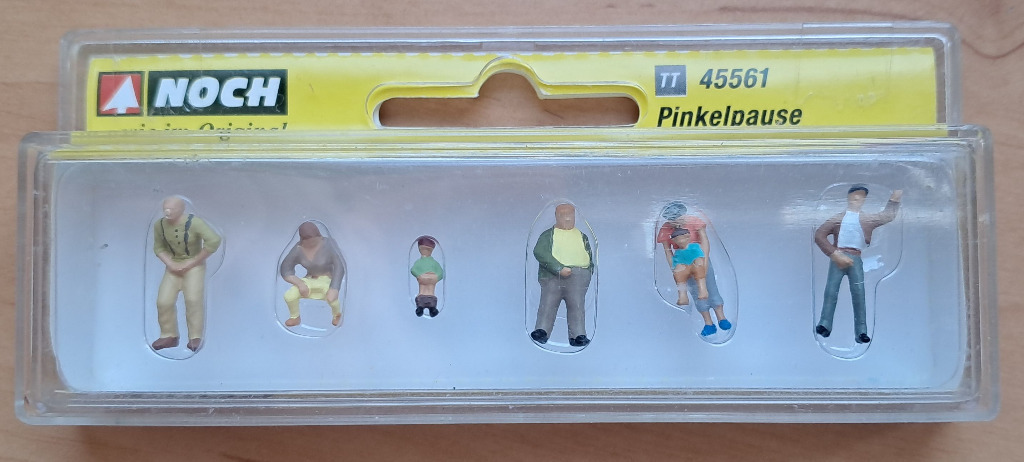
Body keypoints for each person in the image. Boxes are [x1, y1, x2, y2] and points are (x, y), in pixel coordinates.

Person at [814, 185, 902, 344]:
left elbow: (887, 216)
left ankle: (861, 331)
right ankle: (824, 323)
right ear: (849, 197)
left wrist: (895, 197)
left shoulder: (867, 219)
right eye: (855, 196)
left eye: (861, 197)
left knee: (859, 293)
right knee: (831, 291)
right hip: (838, 257)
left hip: (855, 258)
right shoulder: (837, 219)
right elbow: (819, 235)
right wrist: (834, 254)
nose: (858, 200)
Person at [151, 196, 222, 352]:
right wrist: (171, 264)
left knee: (193, 300)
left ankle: (195, 336)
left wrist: (192, 262)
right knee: (163, 301)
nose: (168, 212)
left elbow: (214, 240)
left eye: (172, 209)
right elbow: (158, 248)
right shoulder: (160, 225)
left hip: (194, 267)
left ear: (181, 209)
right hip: (172, 267)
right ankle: (169, 335)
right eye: (165, 209)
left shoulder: (194, 222)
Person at [656, 201, 731, 337]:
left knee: (710, 286)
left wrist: (705, 260)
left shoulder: (694, 221)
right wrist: (674, 267)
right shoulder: (666, 229)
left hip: (699, 258)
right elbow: (667, 250)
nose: (676, 222)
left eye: (678, 218)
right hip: (682, 262)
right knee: (696, 292)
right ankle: (708, 323)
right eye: (672, 220)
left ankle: (722, 317)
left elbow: (705, 241)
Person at [531, 203, 594, 347]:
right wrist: (558, 268)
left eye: (570, 215)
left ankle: (578, 335)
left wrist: (588, 271)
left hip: (578, 276)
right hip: (553, 276)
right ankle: (542, 330)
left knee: (577, 305)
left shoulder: (581, 235)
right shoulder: (548, 235)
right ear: (556, 216)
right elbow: (540, 252)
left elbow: (589, 254)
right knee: (548, 302)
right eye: (563, 215)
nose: (567, 218)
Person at [280, 221, 345, 327]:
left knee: (331, 298)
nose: (311, 244)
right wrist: (299, 283)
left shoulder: (328, 244)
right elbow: (285, 269)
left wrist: (334, 288)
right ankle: (295, 317)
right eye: (307, 242)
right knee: (289, 296)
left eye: (314, 241)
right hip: (309, 279)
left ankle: (337, 315)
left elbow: (340, 265)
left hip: (327, 279)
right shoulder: (298, 249)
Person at [668, 228, 709, 305]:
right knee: (678, 274)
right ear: (674, 241)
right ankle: (683, 296)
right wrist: (678, 268)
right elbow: (676, 262)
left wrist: (698, 261)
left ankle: (703, 290)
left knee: (699, 267)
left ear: (688, 237)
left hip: (695, 266)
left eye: (682, 238)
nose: (680, 241)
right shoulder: (678, 252)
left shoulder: (695, 246)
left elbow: (700, 256)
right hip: (685, 269)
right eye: (677, 240)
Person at [410, 236, 444, 317]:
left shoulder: (434, 262)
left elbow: (441, 273)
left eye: (427, 249)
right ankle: (420, 307)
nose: (425, 251)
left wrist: (436, 277)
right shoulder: (419, 262)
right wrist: (419, 276)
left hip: (432, 280)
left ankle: (432, 307)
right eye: (423, 249)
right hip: (422, 279)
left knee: (430, 290)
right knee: (422, 290)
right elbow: (413, 270)